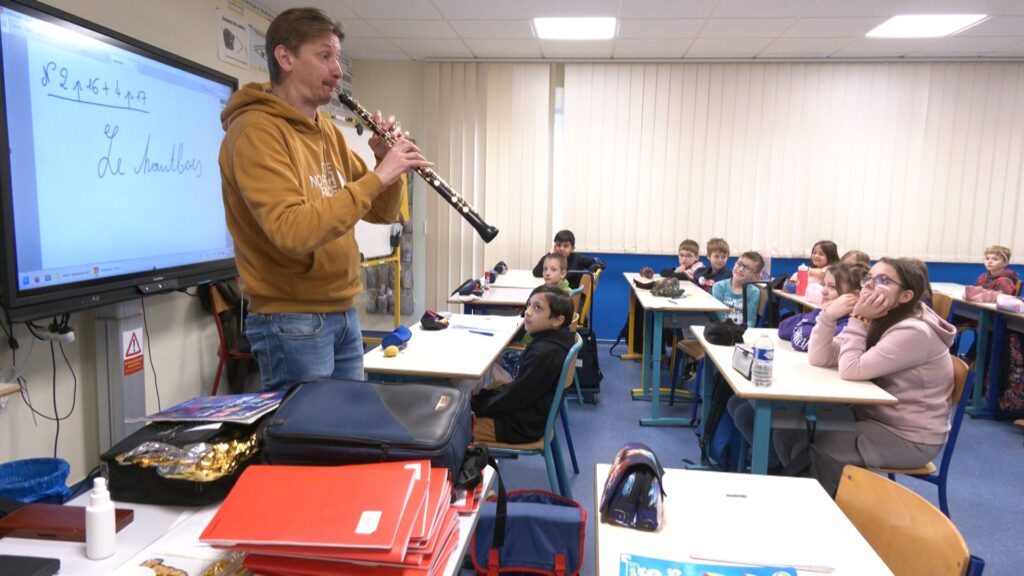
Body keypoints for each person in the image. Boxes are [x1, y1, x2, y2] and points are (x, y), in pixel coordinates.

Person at [220, 8, 430, 391]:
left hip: (341, 310)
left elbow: (382, 213)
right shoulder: (255, 132)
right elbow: (291, 231)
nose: (336, 71)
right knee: (310, 445)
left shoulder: (327, 132)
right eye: (324, 56)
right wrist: (378, 175)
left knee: (347, 440)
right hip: (291, 320)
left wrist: (386, 161)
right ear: (285, 58)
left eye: (337, 58)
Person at [773, 257, 956, 496]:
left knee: (818, 449)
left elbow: (851, 369)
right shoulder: (883, 315)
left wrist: (857, 319)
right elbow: (821, 358)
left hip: (909, 436)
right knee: (786, 433)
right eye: (869, 277)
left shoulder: (914, 331)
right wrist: (827, 317)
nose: (869, 285)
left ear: (906, 296)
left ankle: (817, 504)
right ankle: (812, 495)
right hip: (872, 416)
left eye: (883, 280)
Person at [472, 286, 575, 444]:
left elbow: (516, 397)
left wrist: (478, 406)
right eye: (529, 305)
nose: (527, 312)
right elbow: (519, 391)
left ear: (557, 320)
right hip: (530, 417)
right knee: (487, 390)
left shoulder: (544, 353)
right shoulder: (552, 342)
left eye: (537, 308)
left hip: (519, 426)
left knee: (452, 431)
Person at [779, 262, 867, 352]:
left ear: (854, 296)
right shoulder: (830, 316)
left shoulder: (848, 326)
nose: (823, 291)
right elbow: (783, 329)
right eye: (824, 284)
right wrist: (819, 313)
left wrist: (818, 312)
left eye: (832, 287)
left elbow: (803, 341)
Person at [532, 229, 605, 288]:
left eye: (565, 246)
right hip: (556, 295)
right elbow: (536, 272)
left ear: (572, 248)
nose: (561, 248)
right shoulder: (552, 260)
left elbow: (601, 262)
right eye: (558, 245)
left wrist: (589, 274)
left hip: (573, 297)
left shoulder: (577, 258)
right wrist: (550, 254)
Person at [711, 251, 764, 327]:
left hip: (741, 333)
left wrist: (741, 333)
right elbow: (719, 316)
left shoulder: (754, 292)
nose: (740, 269)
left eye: (747, 268)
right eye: (739, 264)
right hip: (721, 330)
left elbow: (750, 321)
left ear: (755, 274)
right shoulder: (719, 287)